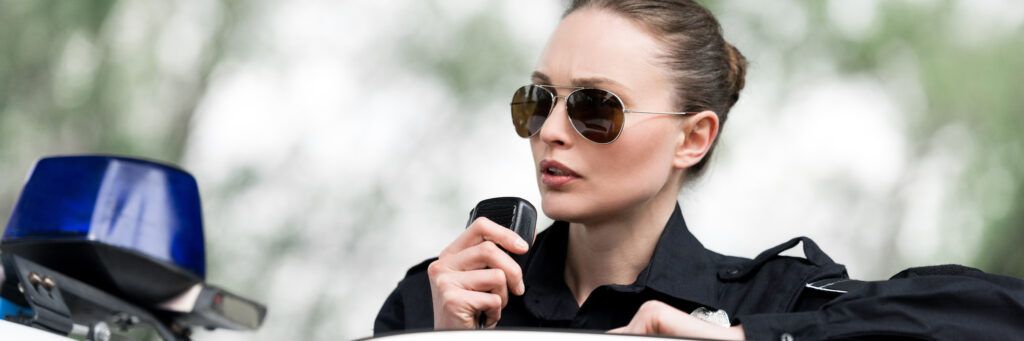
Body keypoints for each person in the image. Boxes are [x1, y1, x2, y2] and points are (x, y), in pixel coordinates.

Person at [374, 1, 1024, 340]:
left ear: (693, 138)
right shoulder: (439, 296)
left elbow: (1003, 315)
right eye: (539, 99)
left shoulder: (772, 300)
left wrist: (749, 338)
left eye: (596, 107)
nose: (549, 130)